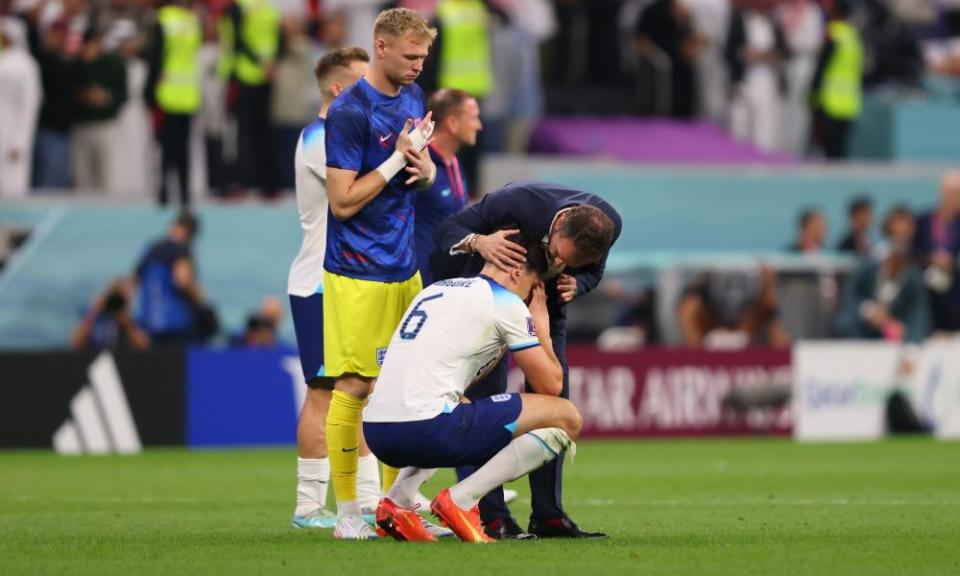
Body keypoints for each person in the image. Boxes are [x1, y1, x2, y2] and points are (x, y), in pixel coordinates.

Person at [364, 232, 582, 543]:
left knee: (457, 402)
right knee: (566, 417)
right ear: (517, 270)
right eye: (533, 286)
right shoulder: (505, 302)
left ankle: (397, 500)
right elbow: (551, 385)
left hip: (377, 432)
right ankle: (463, 500)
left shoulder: (436, 289)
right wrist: (540, 320)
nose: (530, 294)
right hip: (425, 430)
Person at [431, 180, 619, 539]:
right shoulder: (516, 202)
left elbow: (593, 273)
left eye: (571, 263)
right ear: (557, 225)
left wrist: (578, 285)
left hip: (543, 309)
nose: (560, 263)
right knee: (485, 402)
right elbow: (447, 229)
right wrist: (478, 241)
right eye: (559, 254)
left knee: (553, 403)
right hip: (489, 302)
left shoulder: (607, 226)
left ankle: (548, 516)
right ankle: (489, 516)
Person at [321, 7, 438, 540]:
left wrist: (426, 169)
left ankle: (395, 510)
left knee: (402, 391)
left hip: (402, 265)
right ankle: (347, 515)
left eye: (424, 57)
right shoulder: (349, 111)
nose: (418, 66)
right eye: (410, 56)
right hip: (357, 269)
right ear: (382, 47)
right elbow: (342, 202)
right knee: (355, 384)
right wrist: (396, 161)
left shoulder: (413, 97)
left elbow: (410, 176)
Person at [285, 47, 385, 530]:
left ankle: (369, 499)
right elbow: (357, 195)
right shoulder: (320, 139)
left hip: (349, 279)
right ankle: (308, 504)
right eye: (363, 85)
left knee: (359, 389)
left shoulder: (341, 135)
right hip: (321, 282)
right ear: (338, 90)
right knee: (325, 392)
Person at [414, 88, 480, 285]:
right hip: (417, 281)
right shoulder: (419, 163)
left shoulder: (455, 162)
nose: (479, 125)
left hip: (445, 280)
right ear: (452, 123)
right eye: (474, 118)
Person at [837, 206, 930, 343]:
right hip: (860, 333)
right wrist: (869, 310)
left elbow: (918, 314)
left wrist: (897, 327)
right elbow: (851, 293)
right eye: (897, 227)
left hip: (895, 336)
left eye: (906, 227)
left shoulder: (913, 275)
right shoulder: (869, 263)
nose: (901, 232)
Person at [133, 212, 219, 345]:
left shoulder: (152, 249)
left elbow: (135, 280)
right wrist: (198, 294)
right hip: (176, 325)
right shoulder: (180, 250)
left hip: (150, 323)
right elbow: (182, 281)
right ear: (190, 234)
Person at [146, 0, 201, 206]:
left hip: (167, 94)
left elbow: (155, 56)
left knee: (165, 147)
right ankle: (185, 194)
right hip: (189, 94)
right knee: (184, 148)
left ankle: (163, 193)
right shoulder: (193, 21)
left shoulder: (164, 19)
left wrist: (149, 93)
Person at [224, 0, 281, 197]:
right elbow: (238, 40)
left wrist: (273, 63)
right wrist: (263, 63)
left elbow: (278, 37)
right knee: (243, 133)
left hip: (264, 77)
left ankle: (266, 184)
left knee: (262, 132)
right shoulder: (238, 7)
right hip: (243, 76)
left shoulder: (268, 8)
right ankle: (242, 182)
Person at [726, 0, 790, 153]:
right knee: (740, 121)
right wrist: (745, 54)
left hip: (767, 78)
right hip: (744, 78)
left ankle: (764, 157)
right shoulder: (739, 21)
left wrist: (771, 56)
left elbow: (786, 51)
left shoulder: (774, 23)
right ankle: (739, 157)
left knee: (765, 120)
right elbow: (728, 52)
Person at [71, 29, 127, 193]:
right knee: (82, 176)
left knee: (106, 174)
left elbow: (123, 94)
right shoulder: (77, 65)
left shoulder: (113, 63)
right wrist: (85, 95)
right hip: (82, 125)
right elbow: (66, 91)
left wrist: (105, 97)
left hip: (106, 125)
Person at [810, 0, 863, 160]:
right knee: (841, 147)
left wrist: (813, 91)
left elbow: (822, 65)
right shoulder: (853, 35)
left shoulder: (832, 34)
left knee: (829, 147)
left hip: (831, 99)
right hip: (850, 100)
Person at [913, 169, 960, 332]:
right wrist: (931, 259)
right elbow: (914, 250)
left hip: (954, 284)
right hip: (926, 281)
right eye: (951, 193)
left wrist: (951, 262)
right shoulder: (924, 220)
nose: (954, 198)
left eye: (957, 194)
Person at [0, 18, 41, 198]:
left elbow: (29, 105)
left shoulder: (25, 65)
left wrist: (20, 140)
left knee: (12, 185)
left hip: (11, 135)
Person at [71, 278, 150, 350]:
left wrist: (127, 323)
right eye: (115, 292)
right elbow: (75, 343)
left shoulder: (133, 318)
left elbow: (144, 345)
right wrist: (95, 311)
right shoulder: (93, 315)